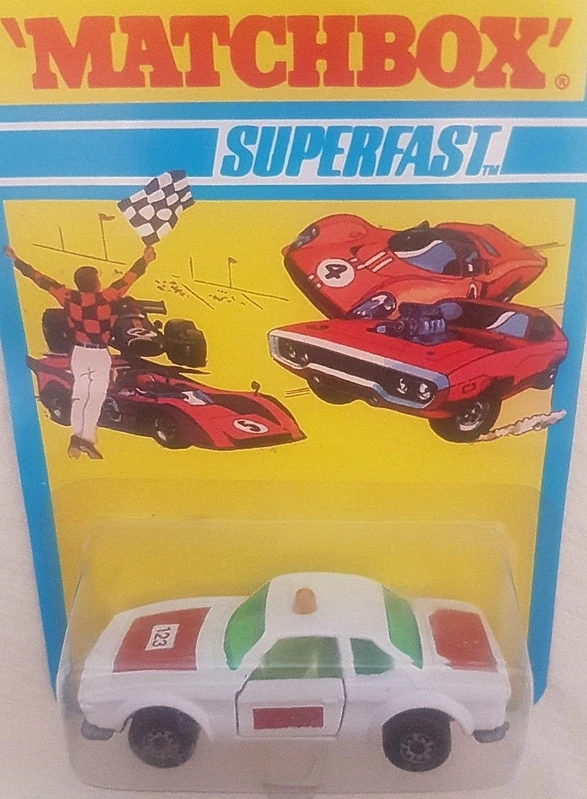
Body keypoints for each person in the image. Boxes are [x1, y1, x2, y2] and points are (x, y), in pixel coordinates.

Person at [4, 244, 158, 460]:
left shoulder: (68, 296)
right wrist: (145, 259)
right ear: (95, 282)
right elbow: (128, 278)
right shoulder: (108, 297)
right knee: (96, 396)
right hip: (99, 354)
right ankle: (87, 438)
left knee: (79, 395)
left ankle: (76, 437)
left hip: (79, 353)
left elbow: (40, 279)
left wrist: (15, 259)